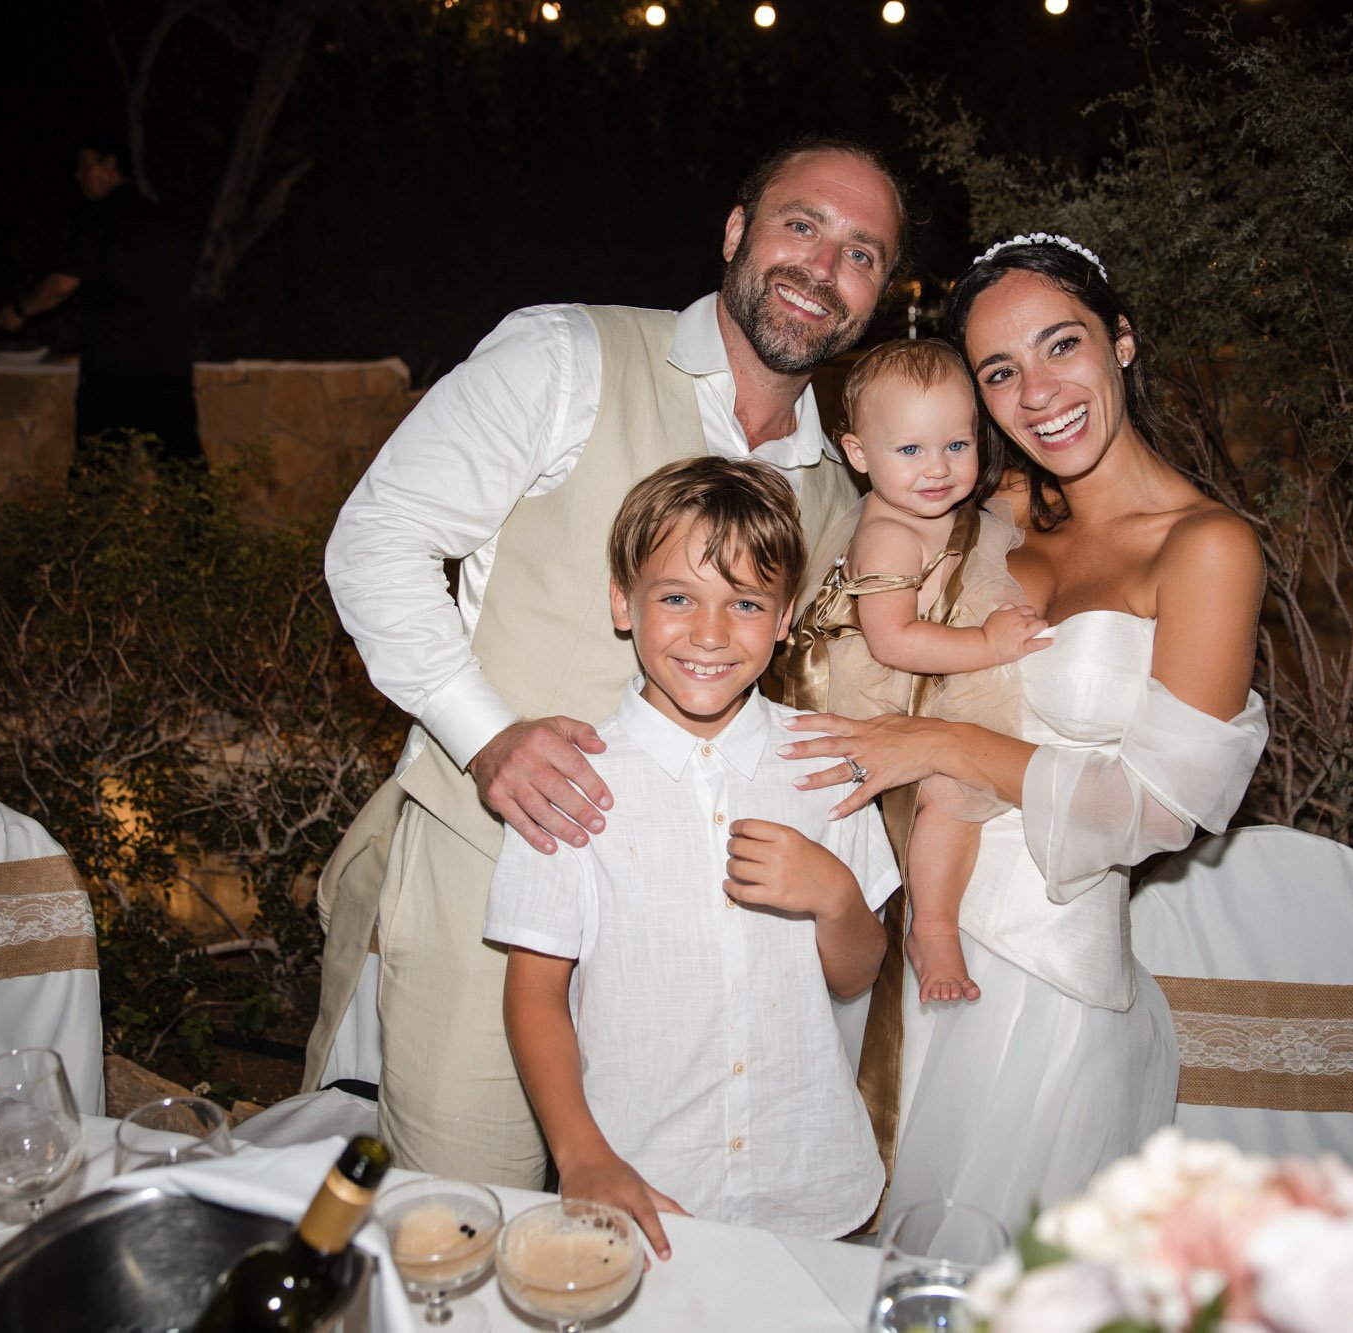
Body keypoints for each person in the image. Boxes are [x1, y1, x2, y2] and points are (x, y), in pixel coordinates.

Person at [304, 138, 909, 1187]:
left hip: (685, 951)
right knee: (468, 1218)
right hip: (489, 889)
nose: (821, 266)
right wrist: (486, 735)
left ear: (880, 294)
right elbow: (376, 538)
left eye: (860, 252)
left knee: (656, 1245)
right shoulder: (566, 357)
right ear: (735, 232)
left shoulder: (838, 496)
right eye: (799, 224)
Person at [783, 233, 1270, 1226]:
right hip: (889, 925)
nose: (1036, 392)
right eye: (1000, 371)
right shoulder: (986, 505)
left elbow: (1163, 806)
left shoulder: (1205, 547)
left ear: (1120, 341)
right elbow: (858, 624)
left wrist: (940, 749)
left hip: (1037, 961)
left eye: (1061, 345)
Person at [486, 458, 895, 1253]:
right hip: (641, 1189)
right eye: (677, 597)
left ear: (784, 619)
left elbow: (858, 973)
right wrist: (582, 1155)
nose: (710, 633)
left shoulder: (826, 760)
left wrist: (836, 896)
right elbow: (535, 996)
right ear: (621, 602)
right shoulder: (570, 780)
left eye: (744, 602)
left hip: (811, 1186)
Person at [781, 338, 1050, 1004]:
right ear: (859, 454)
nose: (938, 469)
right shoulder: (890, 534)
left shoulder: (935, 510)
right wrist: (988, 644)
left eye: (957, 446)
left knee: (961, 785)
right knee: (951, 794)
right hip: (884, 685)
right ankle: (933, 928)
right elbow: (894, 639)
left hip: (930, 666)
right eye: (910, 451)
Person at [0, 136, 202, 466]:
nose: (77, 176)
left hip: (116, 372)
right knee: (181, 474)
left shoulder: (103, 220)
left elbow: (62, 285)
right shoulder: (163, 221)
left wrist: (19, 311)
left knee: (98, 477)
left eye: (84, 166)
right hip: (168, 369)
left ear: (109, 167)